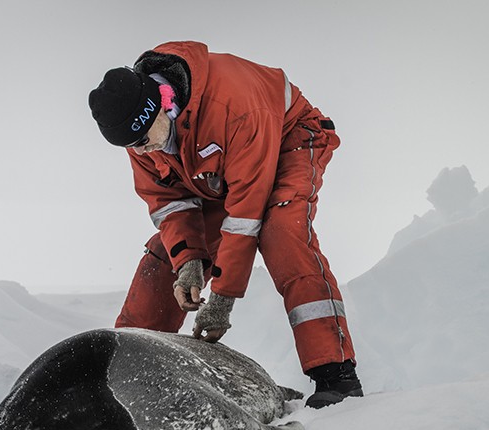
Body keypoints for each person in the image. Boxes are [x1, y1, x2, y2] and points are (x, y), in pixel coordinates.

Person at [88, 41, 362, 408]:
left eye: (141, 141)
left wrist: (222, 299)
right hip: (217, 170)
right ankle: (127, 372)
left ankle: (337, 376)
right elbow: (170, 204)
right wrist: (188, 264)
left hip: (287, 140)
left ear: (161, 107)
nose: (139, 152)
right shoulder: (140, 132)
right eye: (130, 147)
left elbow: (245, 217)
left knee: (281, 231)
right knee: (163, 256)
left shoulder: (233, 107)